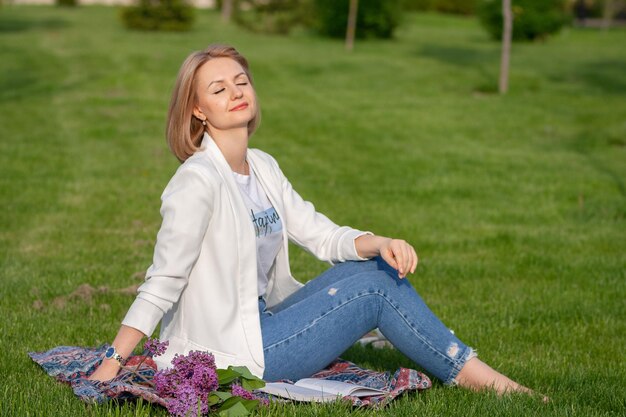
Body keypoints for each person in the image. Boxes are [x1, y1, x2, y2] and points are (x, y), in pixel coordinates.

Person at [89, 44, 533, 396]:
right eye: (219, 88)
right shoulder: (197, 183)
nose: (236, 92)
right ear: (198, 110)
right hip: (234, 354)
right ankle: (490, 383)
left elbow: (316, 232)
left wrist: (378, 241)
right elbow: (164, 278)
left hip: (264, 321)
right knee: (377, 288)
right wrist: (113, 359)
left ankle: (470, 371)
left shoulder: (261, 165)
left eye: (241, 81)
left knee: (375, 269)